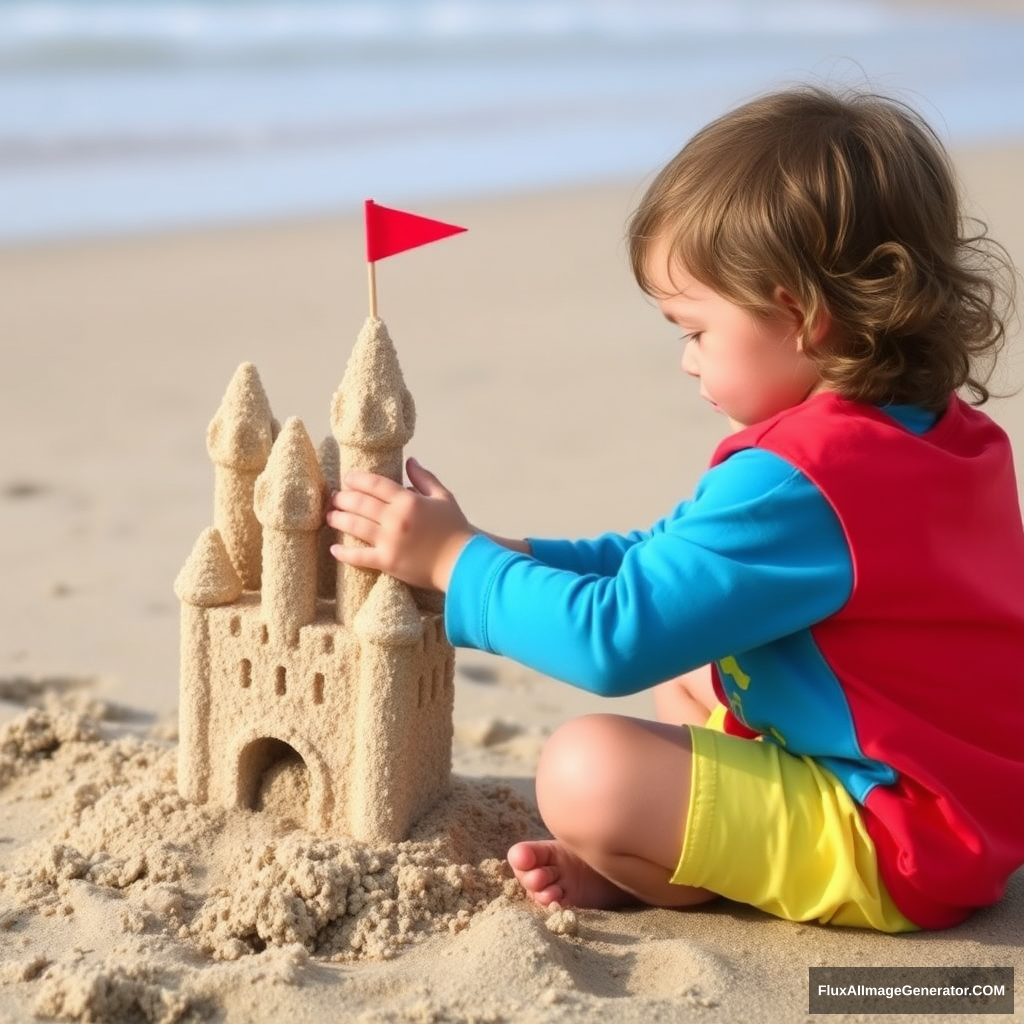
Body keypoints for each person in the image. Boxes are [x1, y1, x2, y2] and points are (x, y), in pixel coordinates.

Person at [327, 85, 1024, 931]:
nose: (687, 363)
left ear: (799, 316)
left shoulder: (803, 477)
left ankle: (680, 871)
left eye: (694, 329)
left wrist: (449, 563)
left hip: (897, 837)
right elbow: (664, 562)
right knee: (696, 665)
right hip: (962, 801)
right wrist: (499, 549)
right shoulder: (933, 434)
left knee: (586, 769)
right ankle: (669, 860)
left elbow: (613, 639)